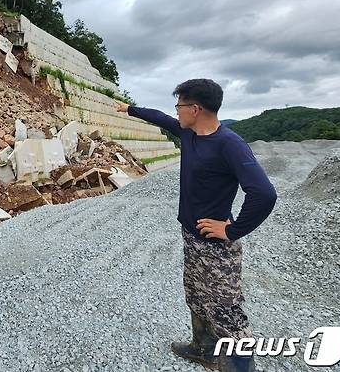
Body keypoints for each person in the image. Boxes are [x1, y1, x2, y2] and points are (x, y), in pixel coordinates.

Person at [115, 78, 277, 372]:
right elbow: (161, 119)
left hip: (216, 247)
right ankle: (204, 349)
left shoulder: (230, 144)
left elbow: (264, 193)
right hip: (191, 235)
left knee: (228, 313)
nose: (175, 112)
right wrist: (130, 109)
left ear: (195, 108)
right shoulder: (188, 133)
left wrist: (231, 230)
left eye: (179, 106)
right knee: (196, 295)